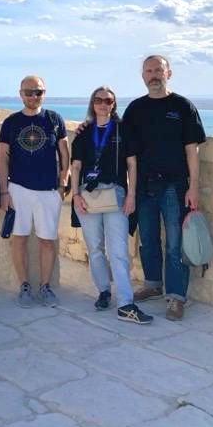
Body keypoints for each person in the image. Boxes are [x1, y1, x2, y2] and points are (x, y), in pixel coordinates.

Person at [124, 55, 206, 321]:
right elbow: (125, 149)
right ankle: (152, 284)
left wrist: (194, 187)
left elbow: (192, 150)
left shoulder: (182, 106)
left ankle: (176, 296)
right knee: (148, 241)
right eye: (149, 70)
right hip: (145, 186)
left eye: (158, 69)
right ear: (142, 76)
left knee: (174, 244)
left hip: (174, 186)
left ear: (168, 73)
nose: (154, 74)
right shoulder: (135, 109)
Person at [71, 86, 152, 324]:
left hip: (116, 195)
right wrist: (75, 195)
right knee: (95, 248)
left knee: (118, 251)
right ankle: (104, 291)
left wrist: (131, 195)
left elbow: (132, 165)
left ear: (114, 105)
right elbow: (75, 167)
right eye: (98, 100)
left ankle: (126, 303)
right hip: (88, 195)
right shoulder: (84, 132)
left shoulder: (123, 130)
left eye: (108, 100)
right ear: (92, 103)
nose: (103, 104)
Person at [0, 75, 69, 308]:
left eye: (38, 92)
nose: (33, 96)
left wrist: (62, 186)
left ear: (44, 93)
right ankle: (24, 286)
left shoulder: (54, 119)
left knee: (47, 241)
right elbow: (3, 159)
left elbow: (65, 156)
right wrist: (4, 192)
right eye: (29, 92)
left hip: (49, 190)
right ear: (20, 94)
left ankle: (45, 286)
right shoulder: (10, 123)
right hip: (18, 189)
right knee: (19, 239)